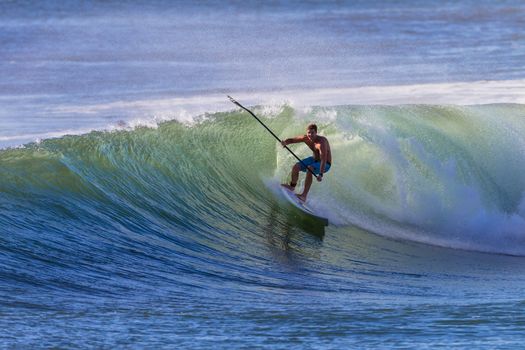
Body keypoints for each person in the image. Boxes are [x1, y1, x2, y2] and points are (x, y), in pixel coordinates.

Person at [280, 123, 332, 202]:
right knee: (296, 166)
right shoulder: (305, 138)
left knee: (309, 168)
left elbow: (324, 159)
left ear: (316, 132)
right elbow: (292, 140)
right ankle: (292, 186)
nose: (310, 135)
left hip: (325, 164)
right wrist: (285, 142)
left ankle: (304, 196)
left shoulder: (321, 142)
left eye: (312, 133)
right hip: (313, 159)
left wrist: (321, 174)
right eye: (309, 132)